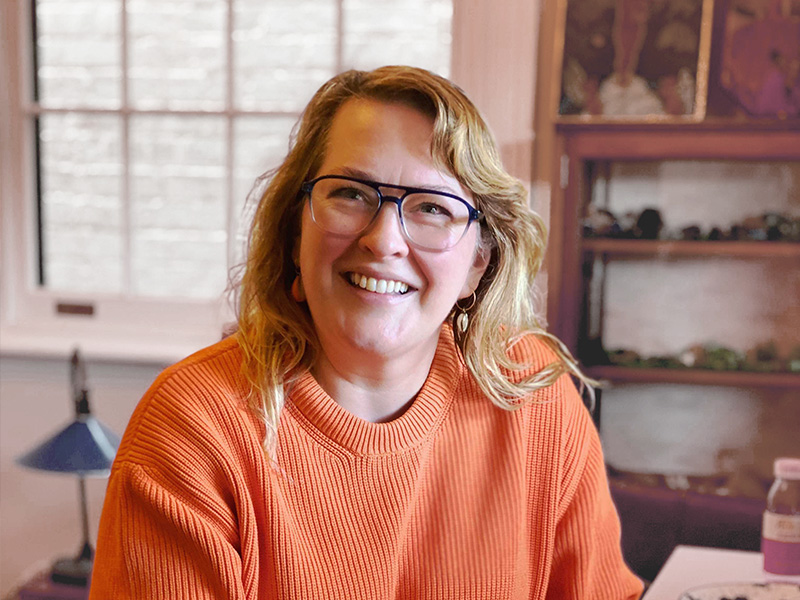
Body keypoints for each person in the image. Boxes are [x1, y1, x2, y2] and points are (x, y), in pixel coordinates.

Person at [89, 66, 643, 599]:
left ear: (478, 262)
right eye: (351, 194)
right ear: (293, 232)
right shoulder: (192, 429)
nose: (384, 240)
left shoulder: (533, 394)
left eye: (431, 207)